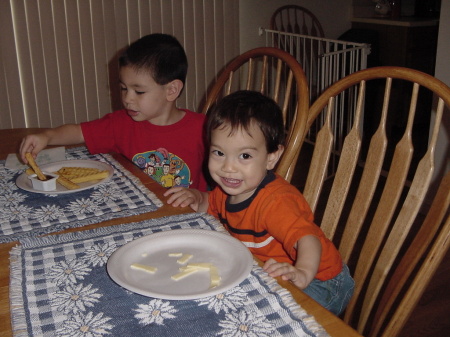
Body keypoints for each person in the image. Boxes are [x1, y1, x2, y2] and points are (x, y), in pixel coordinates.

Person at [165, 90, 354, 315]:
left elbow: (308, 239)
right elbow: (210, 203)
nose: (228, 167)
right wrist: (197, 197)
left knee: (261, 315)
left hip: (322, 282)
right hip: (267, 269)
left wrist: (301, 272)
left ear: (271, 157)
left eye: (244, 156)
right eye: (219, 153)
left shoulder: (276, 202)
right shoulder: (228, 188)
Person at [20, 33, 207, 191]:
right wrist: (47, 136)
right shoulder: (121, 123)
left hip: (187, 218)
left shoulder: (204, 129)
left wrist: (203, 197)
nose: (127, 99)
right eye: (124, 88)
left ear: (171, 90)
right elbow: (79, 132)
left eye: (139, 91)